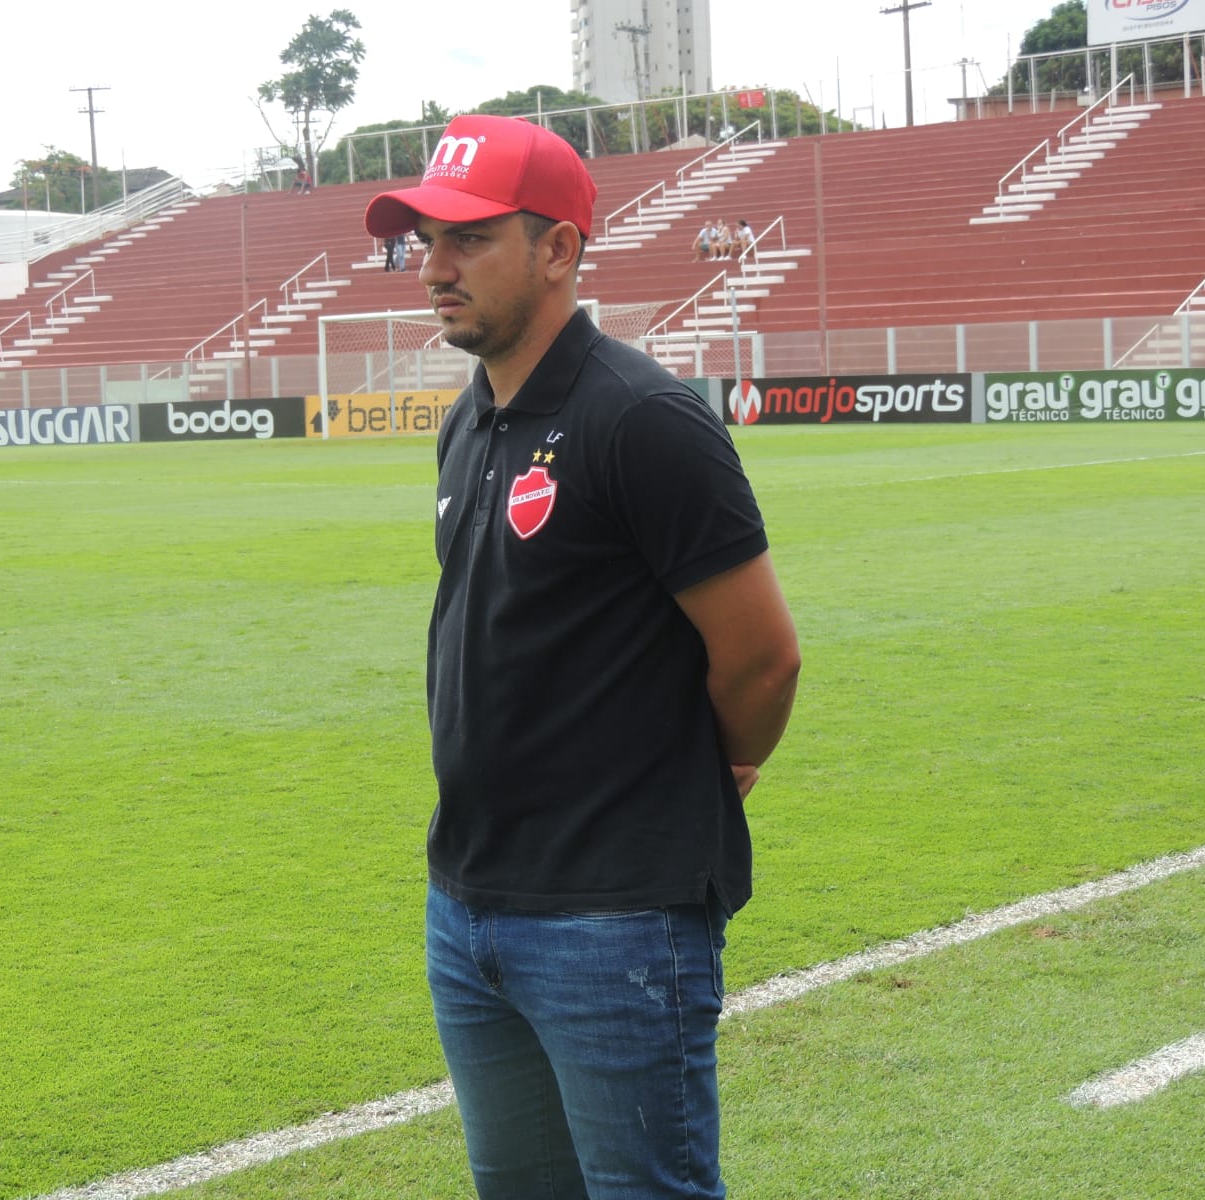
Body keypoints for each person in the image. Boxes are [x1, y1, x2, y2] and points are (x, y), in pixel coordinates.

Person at [364, 114, 801, 1200]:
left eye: (469, 239)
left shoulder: (644, 418)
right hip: (467, 907)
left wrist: (725, 761)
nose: (436, 266)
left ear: (558, 250)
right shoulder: (470, 422)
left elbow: (763, 661)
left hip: (616, 921)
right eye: (425, 239)